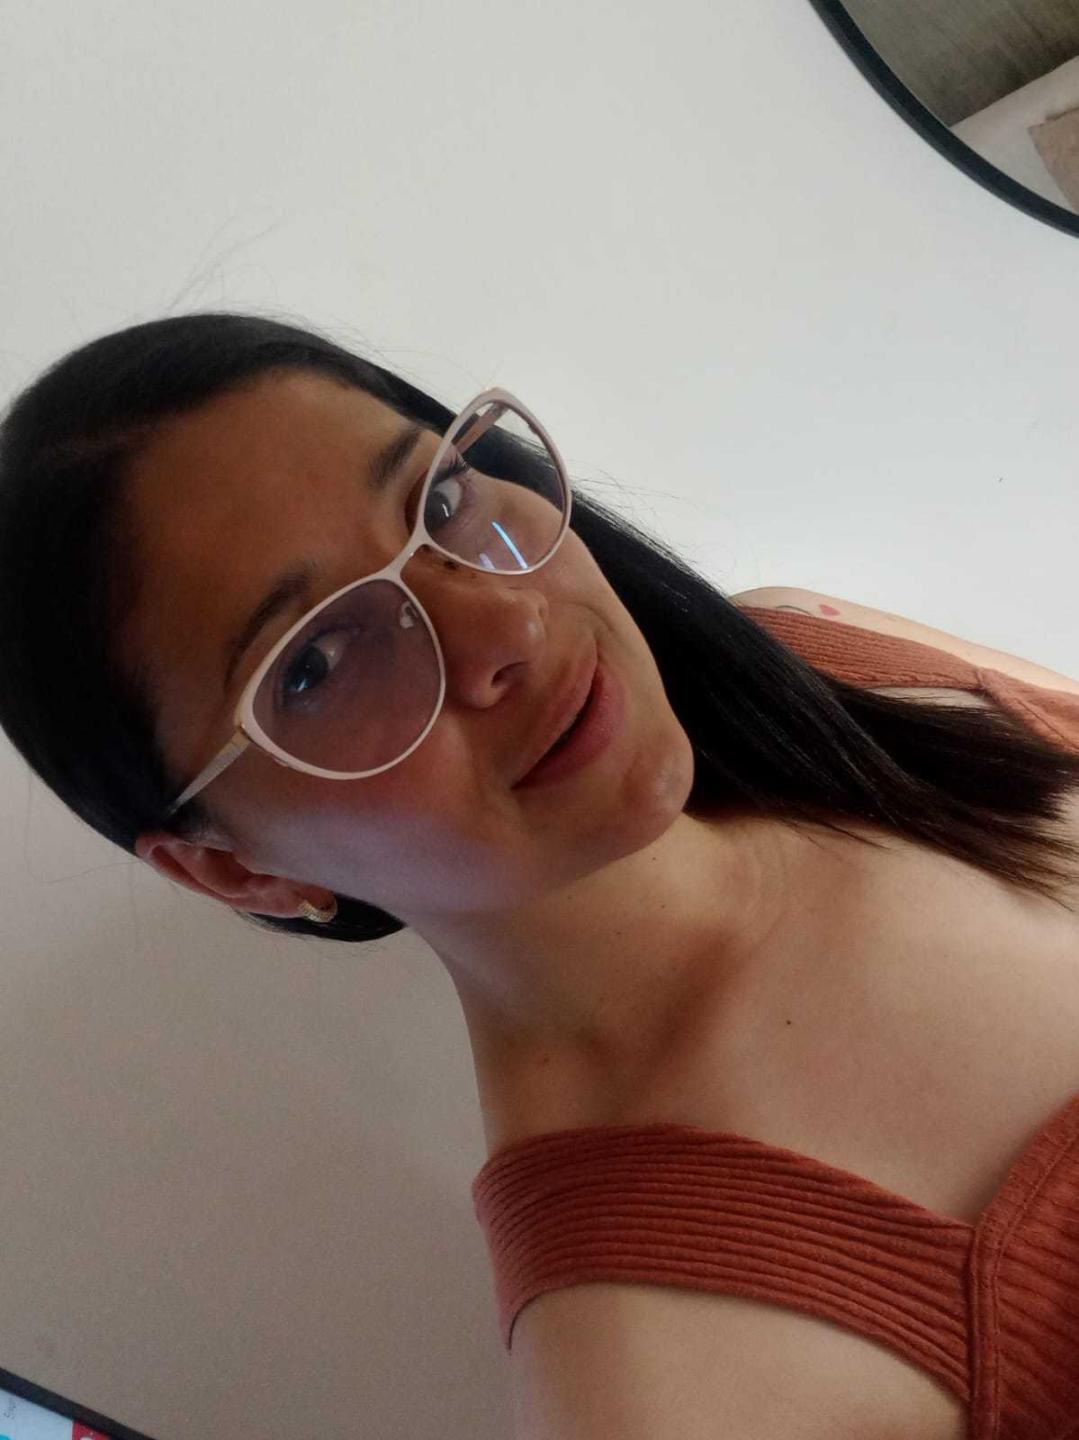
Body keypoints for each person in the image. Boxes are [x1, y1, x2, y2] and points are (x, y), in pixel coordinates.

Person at [3, 313, 1078, 1434]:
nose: (507, 620)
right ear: (233, 870)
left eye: (440, 500)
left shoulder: (814, 650)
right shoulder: (675, 1390)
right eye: (315, 662)